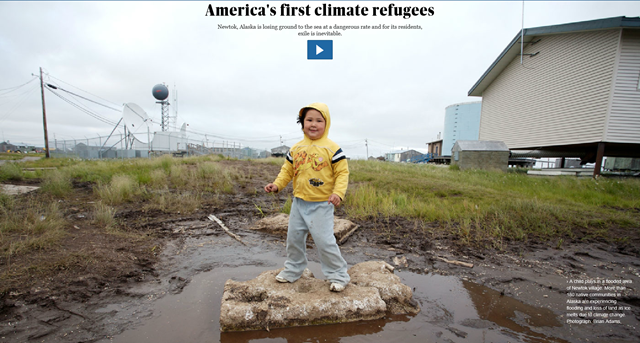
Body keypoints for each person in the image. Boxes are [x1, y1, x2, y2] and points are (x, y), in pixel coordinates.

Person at [264, 102, 350, 292]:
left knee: (324, 241)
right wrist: (277, 185)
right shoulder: (296, 148)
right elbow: (287, 171)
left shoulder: (332, 149)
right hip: (299, 203)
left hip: (321, 204)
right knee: (293, 238)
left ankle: (338, 275)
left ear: (326, 124)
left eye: (319, 120)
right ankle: (293, 270)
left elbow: (342, 174)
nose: (313, 124)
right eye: (309, 120)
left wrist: (338, 193)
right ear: (302, 123)